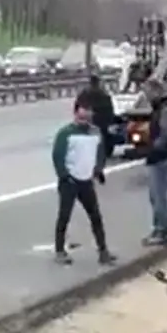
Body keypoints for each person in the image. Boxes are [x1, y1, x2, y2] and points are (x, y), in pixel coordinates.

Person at [51, 96, 116, 265]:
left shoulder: (95, 132)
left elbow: (100, 152)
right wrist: (65, 176)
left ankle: (103, 251)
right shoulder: (65, 133)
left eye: (88, 118)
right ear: (75, 114)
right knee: (64, 216)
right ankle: (59, 251)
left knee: (95, 216)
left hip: (86, 181)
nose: (84, 121)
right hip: (70, 181)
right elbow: (58, 156)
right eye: (81, 118)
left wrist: (99, 170)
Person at [142, 78, 167, 246]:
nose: (146, 96)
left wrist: (154, 148)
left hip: (162, 157)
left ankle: (161, 232)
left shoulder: (165, 109)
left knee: (158, 196)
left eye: (147, 92)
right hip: (161, 155)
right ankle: (158, 229)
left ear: (156, 91)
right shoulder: (162, 107)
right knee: (155, 195)